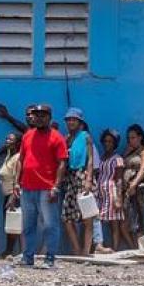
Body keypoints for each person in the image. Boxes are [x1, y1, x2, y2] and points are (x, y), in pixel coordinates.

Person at [17, 104, 68, 268]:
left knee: (50, 224)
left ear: (49, 117)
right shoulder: (27, 136)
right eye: (36, 115)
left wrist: (56, 186)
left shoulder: (57, 137)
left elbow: (62, 163)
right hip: (27, 187)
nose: (39, 118)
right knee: (28, 225)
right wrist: (16, 182)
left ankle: (50, 257)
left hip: (47, 188)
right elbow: (21, 159)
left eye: (43, 115)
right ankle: (28, 257)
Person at [59, 108, 96, 257]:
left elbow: (91, 160)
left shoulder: (85, 136)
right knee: (67, 216)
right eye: (68, 120)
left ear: (80, 122)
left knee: (87, 215)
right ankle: (77, 249)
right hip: (70, 178)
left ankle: (86, 251)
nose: (70, 122)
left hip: (82, 175)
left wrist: (88, 180)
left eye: (73, 120)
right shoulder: (67, 139)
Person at [94, 129, 127, 251]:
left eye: (110, 141)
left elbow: (119, 179)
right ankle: (100, 246)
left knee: (114, 223)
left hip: (111, 192)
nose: (107, 144)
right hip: (101, 193)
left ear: (115, 143)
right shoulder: (102, 158)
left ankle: (115, 248)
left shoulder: (117, 159)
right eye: (105, 141)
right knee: (100, 220)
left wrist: (118, 198)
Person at [121, 125, 144, 251]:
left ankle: (142, 249)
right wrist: (126, 152)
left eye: (133, 137)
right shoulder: (130, 151)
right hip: (127, 190)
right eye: (129, 138)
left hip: (138, 189)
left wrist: (134, 184)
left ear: (140, 137)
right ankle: (133, 247)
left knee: (138, 220)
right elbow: (122, 164)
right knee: (125, 222)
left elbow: (143, 169)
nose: (131, 140)